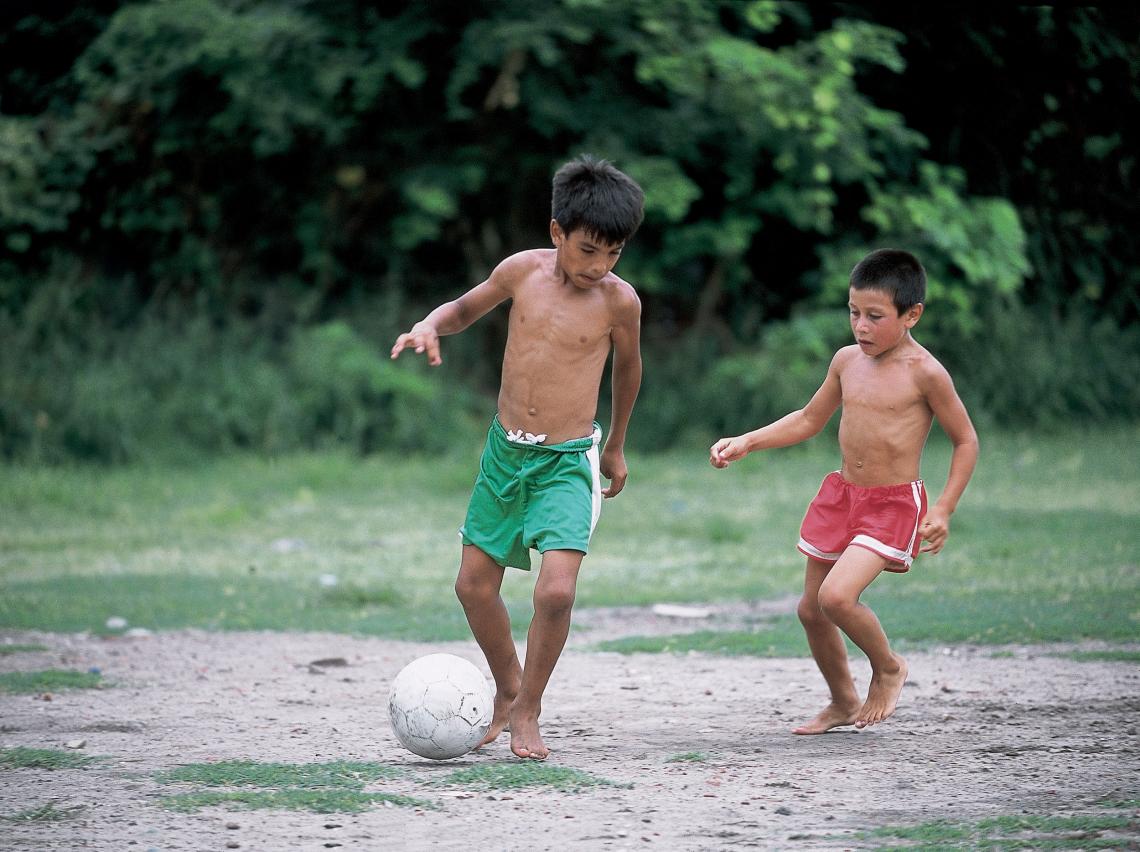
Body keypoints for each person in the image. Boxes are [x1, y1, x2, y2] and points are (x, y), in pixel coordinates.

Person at [390, 155, 645, 759]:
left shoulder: (619, 302)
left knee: (555, 592)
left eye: (613, 254)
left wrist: (616, 446)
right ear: (557, 233)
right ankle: (507, 688)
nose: (599, 266)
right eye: (588, 250)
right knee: (473, 586)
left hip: (566, 461)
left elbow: (629, 370)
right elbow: (463, 309)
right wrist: (429, 324)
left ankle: (529, 709)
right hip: (504, 456)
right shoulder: (520, 272)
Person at [709, 248, 979, 734]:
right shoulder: (846, 361)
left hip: (893, 504)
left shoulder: (926, 372)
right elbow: (810, 420)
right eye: (854, 313)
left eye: (875, 316)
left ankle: (890, 666)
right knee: (811, 610)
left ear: (911, 314)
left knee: (836, 597)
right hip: (842, 496)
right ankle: (842, 701)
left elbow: (966, 440)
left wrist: (944, 507)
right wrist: (749, 440)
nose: (861, 326)